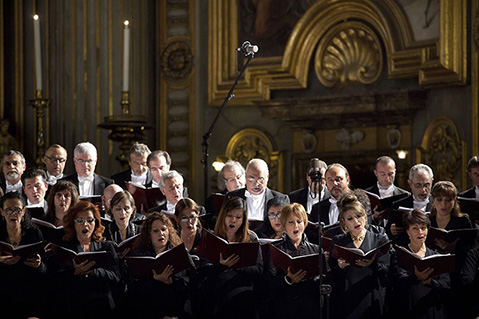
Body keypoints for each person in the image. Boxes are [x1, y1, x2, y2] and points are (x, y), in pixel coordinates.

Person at [46, 200, 120, 318]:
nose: (85, 225)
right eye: (80, 220)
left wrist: (94, 271)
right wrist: (74, 272)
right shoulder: (64, 247)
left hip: (101, 305)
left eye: (90, 220)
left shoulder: (106, 246)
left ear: (95, 222)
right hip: (74, 306)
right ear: (73, 224)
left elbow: (116, 276)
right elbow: (54, 278)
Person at [328, 191, 390, 319]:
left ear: (365, 216)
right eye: (350, 218)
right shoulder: (338, 241)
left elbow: (388, 271)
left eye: (359, 215)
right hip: (347, 298)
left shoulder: (379, 239)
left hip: (371, 297)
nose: (356, 221)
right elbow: (330, 275)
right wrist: (339, 267)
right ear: (344, 222)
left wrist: (372, 263)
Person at [199, 196, 263, 319]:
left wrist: (235, 265)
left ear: (243, 219)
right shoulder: (212, 237)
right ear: (223, 216)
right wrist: (221, 266)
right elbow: (203, 269)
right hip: (218, 295)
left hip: (243, 295)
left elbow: (258, 270)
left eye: (238, 217)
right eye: (229, 216)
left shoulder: (251, 239)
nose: (233, 220)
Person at [125, 212, 190, 319]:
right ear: (148, 235)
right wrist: (155, 280)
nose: (161, 234)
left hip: (177, 311)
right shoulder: (138, 255)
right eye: (155, 231)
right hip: (149, 311)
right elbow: (133, 289)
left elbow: (191, 281)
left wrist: (171, 281)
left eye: (164, 229)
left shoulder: (180, 253)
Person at [388, 209, 450, 319]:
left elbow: (446, 284)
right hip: (408, 308)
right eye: (415, 228)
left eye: (423, 228)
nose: (420, 232)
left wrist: (431, 281)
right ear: (408, 231)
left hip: (432, 309)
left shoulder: (436, 256)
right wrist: (416, 277)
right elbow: (396, 282)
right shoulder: (400, 255)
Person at [264, 203, 321, 319]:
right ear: (284, 225)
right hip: (285, 310)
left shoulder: (316, 249)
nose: (296, 226)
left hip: (310, 309)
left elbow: (325, 280)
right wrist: (288, 280)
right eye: (291, 222)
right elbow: (268, 283)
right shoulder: (276, 250)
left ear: (304, 223)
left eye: (299, 221)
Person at [428, 181, 473, 318]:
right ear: (433, 199)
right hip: (434, 270)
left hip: (456, 271)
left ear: (454, 201)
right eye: (439, 199)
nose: (443, 204)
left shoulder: (463, 221)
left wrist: (453, 247)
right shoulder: (427, 221)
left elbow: (471, 248)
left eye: (448, 200)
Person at [0, 191, 47, 319]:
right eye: (8, 210)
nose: (13, 214)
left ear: (24, 211)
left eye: (17, 210)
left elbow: (45, 269)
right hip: (3, 294)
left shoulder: (34, 233)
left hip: (30, 294)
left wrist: (39, 264)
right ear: (2, 212)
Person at [226, 158, 289, 231]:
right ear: (245, 176)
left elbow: (286, 227)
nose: (256, 184)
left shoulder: (282, 199)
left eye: (260, 179)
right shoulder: (232, 197)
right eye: (251, 179)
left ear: (267, 177)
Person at [390, 163, 434, 246]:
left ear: (432, 181)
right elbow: (387, 235)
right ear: (410, 183)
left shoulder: (439, 204)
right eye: (418, 185)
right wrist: (392, 230)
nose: (423, 190)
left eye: (426, 185)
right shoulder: (398, 205)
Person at [364, 156, 409, 228]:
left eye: (390, 174)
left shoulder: (406, 195)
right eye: (383, 174)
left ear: (395, 172)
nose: (387, 178)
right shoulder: (365, 195)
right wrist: (374, 218)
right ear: (375, 173)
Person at [205, 159, 246, 229]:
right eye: (231, 179)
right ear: (224, 182)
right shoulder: (214, 200)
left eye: (239, 177)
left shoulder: (253, 196)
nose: (237, 182)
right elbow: (213, 226)